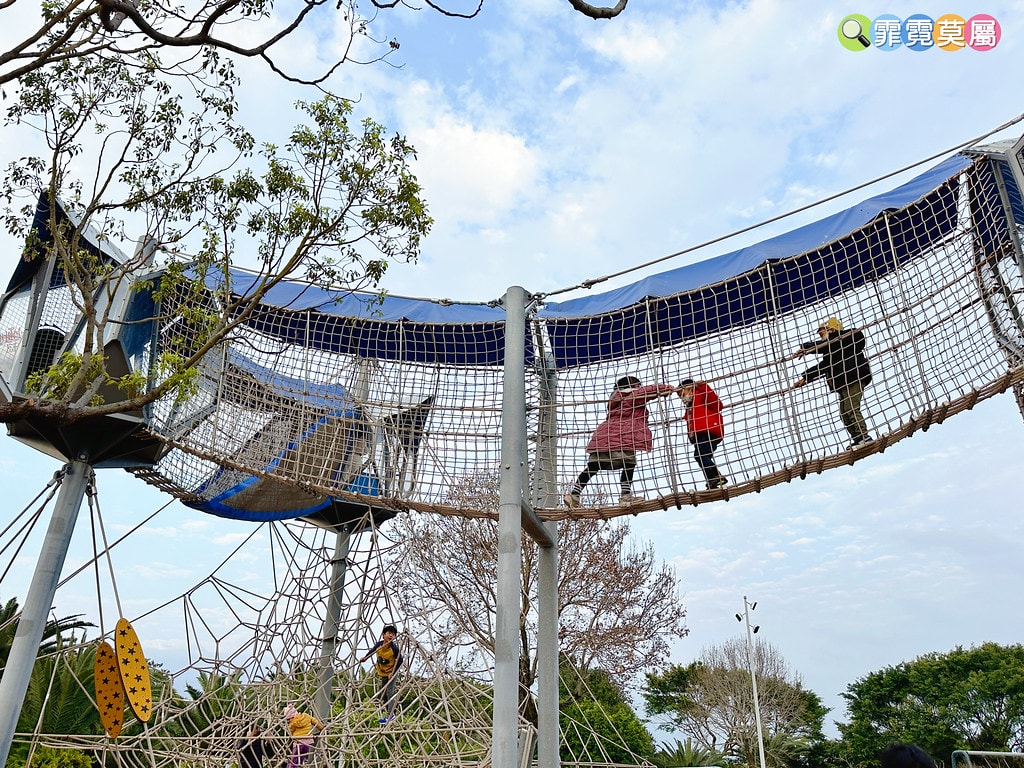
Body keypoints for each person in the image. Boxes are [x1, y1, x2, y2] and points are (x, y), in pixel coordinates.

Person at [564, 375, 677, 508]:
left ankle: (574, 494)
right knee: (629, 463)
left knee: (594, 466)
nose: (639, 387)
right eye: (637, 385)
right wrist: (665, 388)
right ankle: (625, 496)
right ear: (632, 387)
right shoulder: (630, 396)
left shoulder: (615, 399)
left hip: (604, 436)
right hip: (622, 435)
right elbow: (646, 391)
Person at [792, 316, 873, 448]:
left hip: (854, 376)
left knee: (851, 408)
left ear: (831, 330)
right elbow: (825, 365)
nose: (820, 336)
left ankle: (864, 437)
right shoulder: (832, 350)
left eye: (822, 332)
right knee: (844, 413)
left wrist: (808, 348)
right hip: (844, 381)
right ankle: (858, 439)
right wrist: (806, 377)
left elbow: (834, 342)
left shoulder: (847, 338)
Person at [678, 378, 728, 490]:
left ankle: (716, 475)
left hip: (707, 431)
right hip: (698, 435)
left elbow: (717, 405)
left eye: (682, 393)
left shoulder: (700, 395)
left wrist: (703, 386)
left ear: (690, 389)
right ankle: (712, 481)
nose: (681, 397)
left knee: (699, 455)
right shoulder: (690, 405)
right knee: (704, 457)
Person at [359, 624, 403, 724]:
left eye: (393, 634)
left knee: (390, 692)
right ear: (383, 635)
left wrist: (393, 672)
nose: (391, 636)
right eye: (389, 633)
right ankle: (388, 714)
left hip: (391, 673)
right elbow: (372, 651)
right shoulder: (379, 645)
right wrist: (365, 658)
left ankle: (390, 715)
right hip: (382, 672)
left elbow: (400, 660)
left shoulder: (394, 648)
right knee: (383, 695)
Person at [282, 704, 323, 768]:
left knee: (294, 759)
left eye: (288, 719)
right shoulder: (306, 716)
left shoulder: (292, 723)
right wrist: (321, 728)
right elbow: (315, 722)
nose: (288, 721)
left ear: (292, 717)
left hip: (298, 742)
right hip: (307, 742)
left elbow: (290, 732)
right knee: (302, 757)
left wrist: (292, 735)